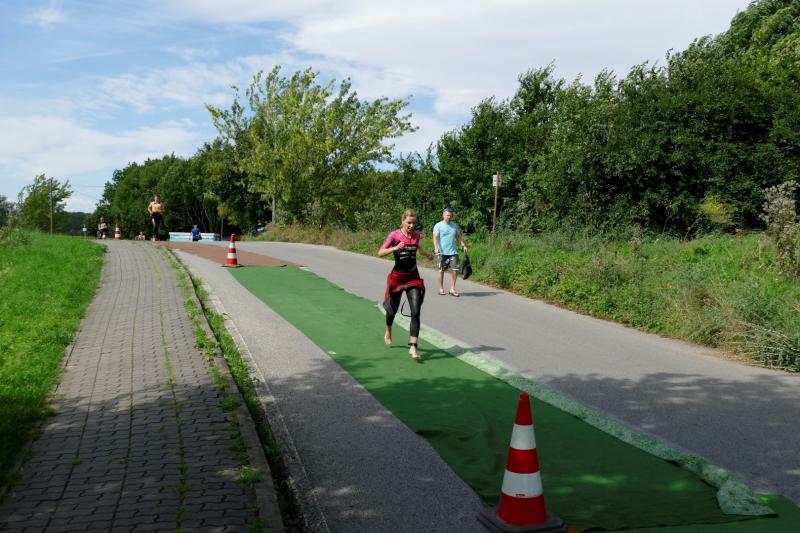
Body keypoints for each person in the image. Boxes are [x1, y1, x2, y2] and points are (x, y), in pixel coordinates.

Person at [378, 208, 434, 360]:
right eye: (409, 223)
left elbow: (417, 247)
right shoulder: (394, 235)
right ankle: (389, 329)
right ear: (402, 221)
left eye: (414, 223)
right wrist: (395, 248)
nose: (412, 226)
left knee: (416, 311)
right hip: (397, 278)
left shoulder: (416, 235)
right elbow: (380, 252)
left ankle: (413, 347)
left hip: (413, 278)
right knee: (392, 311)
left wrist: (427, 255)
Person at [432, 207, 468, 296]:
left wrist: (463, 245)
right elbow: (435, 237)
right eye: (447, 215)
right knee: (441, 270)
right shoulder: (438, 225)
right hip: (442, 252)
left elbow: (458, 236)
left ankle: (452, 289)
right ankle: (441, 288)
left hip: (453, 252)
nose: (449, 217)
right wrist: (436, 248)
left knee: (455, 270)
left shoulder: (454, 225)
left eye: (450, 216)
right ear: (443, 215)